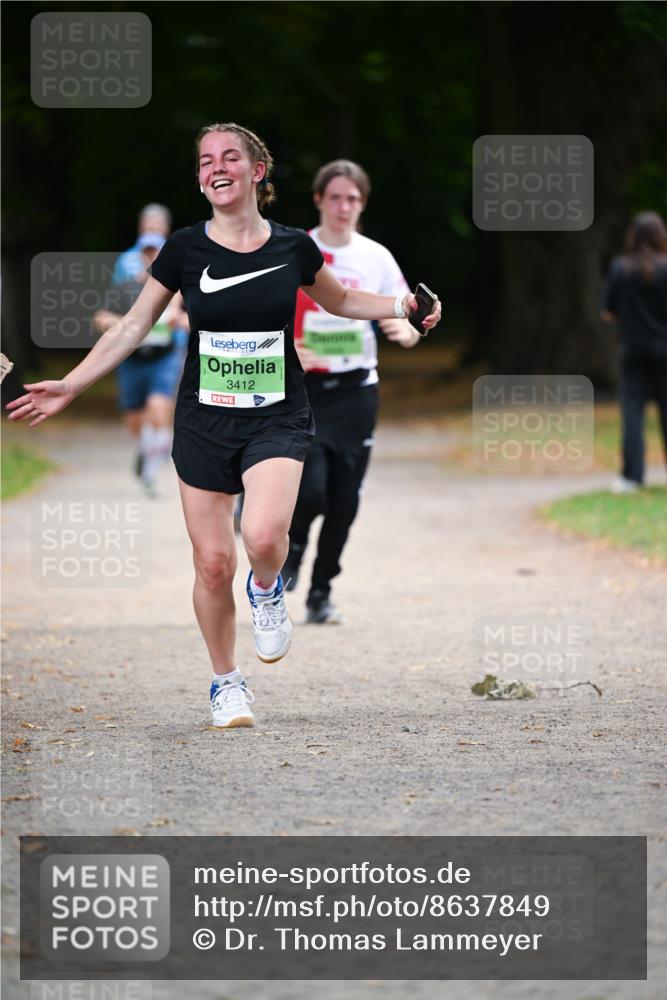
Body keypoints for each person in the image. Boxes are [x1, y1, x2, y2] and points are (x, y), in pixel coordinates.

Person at [6, 122, 440, 730]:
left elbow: (339, 301)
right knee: (212, 563)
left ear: (256, 172)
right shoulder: (185, 249)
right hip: (204, 419)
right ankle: (226, 684)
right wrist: (73, 384)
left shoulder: (292, 247)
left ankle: (268, 588)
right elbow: (133, 326)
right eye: (206, 159)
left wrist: (404, 307)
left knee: (263, 537)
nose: (216, 166)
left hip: (278, 413)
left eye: (230, 157)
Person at [283, 160, 424, 623]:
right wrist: (285, 347)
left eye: (353, 199)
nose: (344, 207)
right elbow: (262, 314)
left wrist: (409, 333)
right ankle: (293, 551)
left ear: (362, 204)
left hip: (357, 392)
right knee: (311, 493)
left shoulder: (376, 257)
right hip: (305, 391)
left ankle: (321, 593)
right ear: (319, 199)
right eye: (336, 197)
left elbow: (406, 312)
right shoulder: (294, 250)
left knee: (345, 499)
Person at [94, 232, 188, 496]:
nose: (150, 258)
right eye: (146, 253)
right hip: (131, 358)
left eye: (155, 253)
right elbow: (100, 318)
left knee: (159, 409)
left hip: (164, 358)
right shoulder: (124, 289)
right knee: (134, 418)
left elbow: (194, 319)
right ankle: (145, 451)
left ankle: (149, 470)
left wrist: (178, 322)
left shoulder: (177, 291)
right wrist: (125, 325)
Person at [600, 211, 667, 492]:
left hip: (631, 352)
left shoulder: (619, 268)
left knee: (632, 415)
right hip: (665, 351)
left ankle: (631, 477)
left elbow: (607, 313)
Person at [113, 203, 172, 284]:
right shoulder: (125, 260)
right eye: (149, 228)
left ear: (166, 229)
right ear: (140, 228)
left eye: (156, 228)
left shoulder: (177, 256)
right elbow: (117, 291)